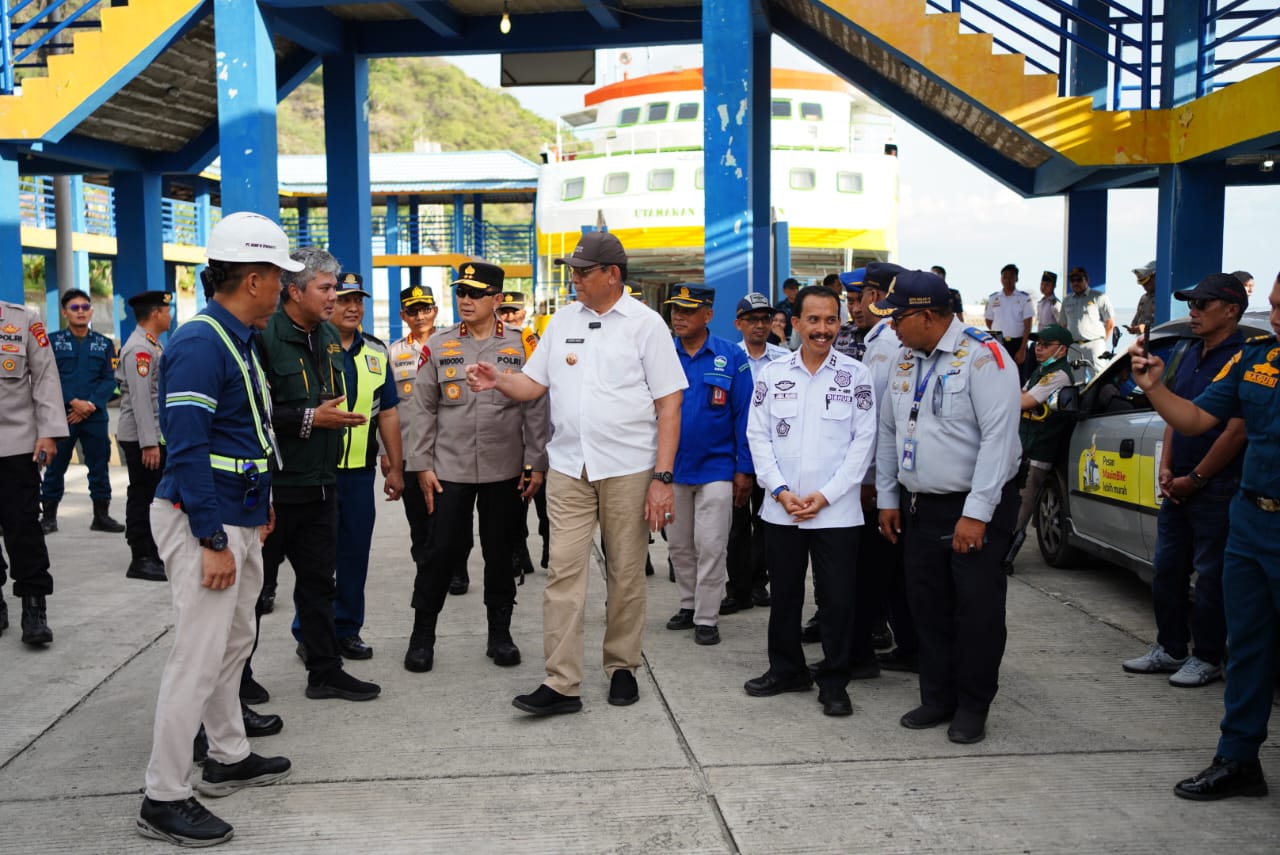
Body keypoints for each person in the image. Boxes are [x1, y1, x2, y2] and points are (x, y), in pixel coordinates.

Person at [466, 231, 686, 716]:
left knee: (625, 572)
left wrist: (663, 479)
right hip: (569, 465)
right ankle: (561, 682)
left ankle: (622, 666)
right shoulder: (562, 320)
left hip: (628, 468)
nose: (575, 279)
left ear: (613, 274)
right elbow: (532, 384)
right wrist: (498, 379)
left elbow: (670, 406)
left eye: (584, 272)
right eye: (573, 271)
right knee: (562, 572)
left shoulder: (646, 325)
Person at [137, 212, 295, 847]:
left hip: (239, 512)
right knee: (196, 658)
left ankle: (228, 755)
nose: (283, 286)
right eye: (279, 276)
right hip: (205, 519)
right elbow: (187, 447)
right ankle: (163, 795)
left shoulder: (236, 337)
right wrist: (211, 539)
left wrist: (259, 507)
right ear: (253, 279)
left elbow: (244, 431)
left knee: (234, 642)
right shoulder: (202, 343)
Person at [1127, 271, 1280, 801]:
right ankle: (1237, 760)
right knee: (1248, 649)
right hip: (1251, 521)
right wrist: (1154, 386)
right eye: (1274, 306)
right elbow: (1194, 418)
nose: (1276, 318)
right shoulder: (1258, 361)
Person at [873, 269, 1022, 745]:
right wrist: (888, 498)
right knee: (928, 608)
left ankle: (973, 705)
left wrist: (976, 514)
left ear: (927, 316)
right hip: (920, 506)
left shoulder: (984, 357)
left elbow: (999, 441)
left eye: (898, 316)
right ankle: (937, 697)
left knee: (976, 613)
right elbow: (889, 433)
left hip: (975, 506)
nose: (891, 325)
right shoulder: (904, 359)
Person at [403, 261, 549, 673]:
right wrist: (421, 465)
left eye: (475, 293)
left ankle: (500, 634)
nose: (465, 300)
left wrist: (536, 462)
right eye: (461, 293)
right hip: (450, 469)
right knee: (440, 552)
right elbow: (423, 408)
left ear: (497, 299)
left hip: (505, 469)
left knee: (501, 553)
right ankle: (422, 636)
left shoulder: (524, 344)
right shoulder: (440, 344)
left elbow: (536, 407)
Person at [743, 285, 877, 717]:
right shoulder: (772, 374)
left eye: (831, 320)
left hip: (837, 513)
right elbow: (758, 436)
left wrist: (826, 496)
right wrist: (780, 491)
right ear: (795, 323)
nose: (823, 329)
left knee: (837, 600)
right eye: (814, 320)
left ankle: (835, 681)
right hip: (782, 510)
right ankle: (786, 670)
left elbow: (863, 444)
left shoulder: (856, 375)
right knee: (785, 596)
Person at [255, 246, 380, 702]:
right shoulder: (263, 335)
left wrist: (326, 417)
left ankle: (325, 671)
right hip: (275, 488)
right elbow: (253, 411)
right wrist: (311, 419)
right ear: (294, 291)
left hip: (322, 483)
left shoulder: (327, 335)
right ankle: (237, 678)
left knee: (318, 586)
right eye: (325, 288)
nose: (334, 297)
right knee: (255, 591)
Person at [1122, 273, 1248, 689]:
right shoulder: (1190, 352)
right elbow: (1176, 413)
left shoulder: (1243, 359)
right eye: (1191, 304)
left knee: (1210, 577)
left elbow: (1235, 432)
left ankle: (1207, 657)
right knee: (1167, 569)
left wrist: (1196, 478)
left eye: (1202, 304)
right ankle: (1171, 647)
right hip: (1180, 483)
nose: (1193, 311)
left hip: (1219, 487)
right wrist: (1168, 468)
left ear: (1231, 310)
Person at [316, 272, 404, 661]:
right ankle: (311, 633)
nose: (353, 307)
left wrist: (395, 466)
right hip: (318, 472)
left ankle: (348, 629)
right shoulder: (313, 345)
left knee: (354, 555)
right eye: (344, 299)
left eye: (358, 300)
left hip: (358, 473)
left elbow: (387, 412)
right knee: (317, 559)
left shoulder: (376, 351)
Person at [662, 284, 753, 647]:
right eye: (675, 310)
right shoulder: (662, 354)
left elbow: (745, 415)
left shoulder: (731, 356)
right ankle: (688, 604)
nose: (679, 317)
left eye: (688, 310)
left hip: (717, 467)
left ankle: (706, 617)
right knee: (679, 545)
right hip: (672, 468)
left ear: (708, 315)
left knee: (712, 545)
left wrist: (744, 468)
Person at [0, 297, 64, 646]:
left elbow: (45, 378)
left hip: (16, 443)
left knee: (23, 526)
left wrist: (48, 432)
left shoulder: (24, 319)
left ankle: (34, 608)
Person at [39, 288, 125, 535]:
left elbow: (110, 379)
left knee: (99, 465)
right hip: (62, 416)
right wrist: (72, 401)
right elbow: (48, 376)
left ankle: (101, 516)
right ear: (65, 312)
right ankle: (49, 517)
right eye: (75, 308)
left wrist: (89, 405)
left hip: (94, 416)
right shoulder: (52, 342)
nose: (81, 312)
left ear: (91, 311)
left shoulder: (104, 344)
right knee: (55, 466)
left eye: (85, 307)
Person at [724, 292, 788, 613]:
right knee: (736, 523)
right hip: (737, 450)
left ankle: (759, 582)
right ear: (739, 324)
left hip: (774, 453)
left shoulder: (784, 358)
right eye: (752, 320)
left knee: (767, 521)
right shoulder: (728, 357)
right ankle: (738, 589)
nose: (760, 326)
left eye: (765, 319)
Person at [1002, 324, 1076, 575]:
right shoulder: (1041, 371)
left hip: (1040, 447)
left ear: (1062, 350)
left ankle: (1006, 554)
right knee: (1013, 498)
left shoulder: (1058, 375)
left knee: (1024, 501)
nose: (1039, 349)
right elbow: (1021, 395)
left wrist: (1011, 397)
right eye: (1038, 344)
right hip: (1026, 443)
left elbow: (1025, 400)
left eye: (1046, 345)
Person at [116, 290, 174, 582]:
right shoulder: (139, 349)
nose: (169, 315)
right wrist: (149, 443)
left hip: (151, 434)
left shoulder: (152, 344)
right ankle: (140, 557)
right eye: (166, 310)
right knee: (142, 495)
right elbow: (140, 400)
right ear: (155, 314)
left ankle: (152, 551)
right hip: (142, 437)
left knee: (152, 494)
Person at [1057, 266, 1115, 373]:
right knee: (1076, 379)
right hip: (1073, 346)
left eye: (1079, 279)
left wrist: (1102, 342)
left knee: (1098, 377)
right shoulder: (1066, 300)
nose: (1075, 283)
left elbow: (1110, 323)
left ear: (1087, 280)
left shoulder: (1099, 297)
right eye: (1072, 280)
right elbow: (1062, 326)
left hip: (1094, 344)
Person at [985, 263, 1034, 380]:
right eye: (1005, 276)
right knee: (998, 376)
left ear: (1016, 278)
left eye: (1011, 276)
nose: (1008, 280)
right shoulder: (993, 298)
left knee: (1018, 377)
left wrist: (1022, 349)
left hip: (1017, 344)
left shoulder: (1024, 298)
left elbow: (1028, 325)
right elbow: (989, 321)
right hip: (998, 342)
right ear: (1001, 279)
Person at [832, 268, 870, 360]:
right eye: (850, 301)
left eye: (861, 300)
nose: (856, 309)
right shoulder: (839, 334)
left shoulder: (895, 336)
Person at [1128, 261, 1157, 334]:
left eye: (1147, 283)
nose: (1144, 286)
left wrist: (1146, 328)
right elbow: (1136, 319)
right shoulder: (1144, 298)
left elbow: (1165, 324)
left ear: (1154, 278)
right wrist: (1133, 328)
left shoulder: (1162, 299)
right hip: (1142, 338)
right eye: (1143, 284)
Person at [775, 278, 801, 343]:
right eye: (792, 288)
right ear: (785, 291)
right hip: (781, 339)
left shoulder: (802, 306)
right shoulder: (779, 307)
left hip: (799, 340)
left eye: (797, 288)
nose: (796, 291)